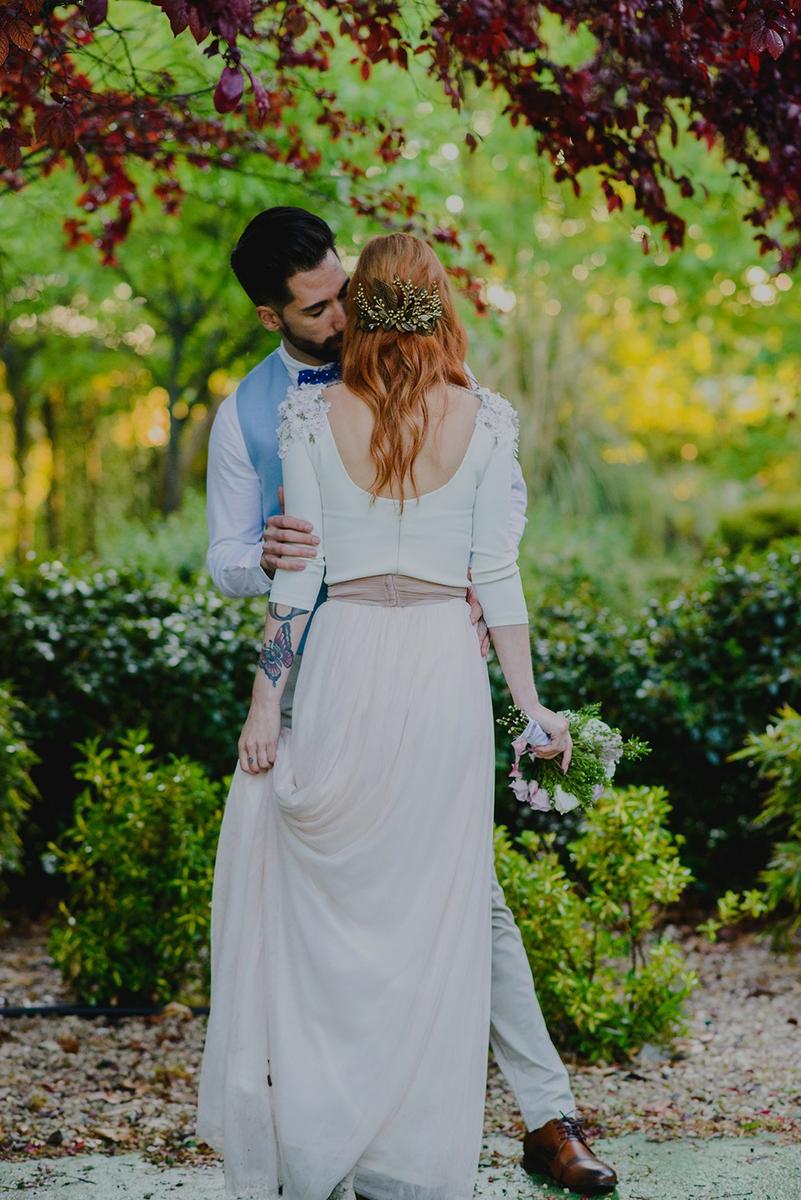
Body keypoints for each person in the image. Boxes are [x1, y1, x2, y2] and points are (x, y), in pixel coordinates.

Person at [199, 210, 618, 1197]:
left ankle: (540, 1114)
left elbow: (472, 570)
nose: (338, 312)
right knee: (369, 904)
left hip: (366, 659)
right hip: (365, 676)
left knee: (454, 902)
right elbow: (242, 566)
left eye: (348, 291)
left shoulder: (356, 415)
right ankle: (366, 1128)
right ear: (274, 315)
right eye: (315, 306)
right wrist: (527, 699)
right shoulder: (256, 416)